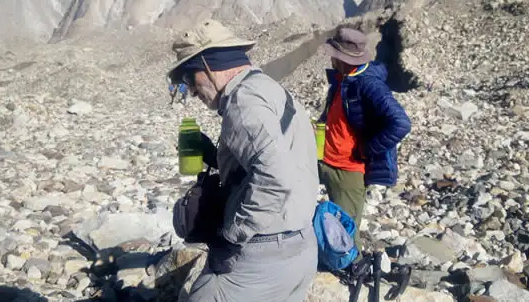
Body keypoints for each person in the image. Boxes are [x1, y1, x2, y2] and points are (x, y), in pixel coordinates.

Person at [166, 19, 319, 302]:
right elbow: (280, 156)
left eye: (189, 79)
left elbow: (275, 179)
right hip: (301, 245)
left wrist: (230, 238)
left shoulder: (242, 103)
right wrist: (216, 154)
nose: (192, 91)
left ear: (208, 66)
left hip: (263, 255)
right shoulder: (269, 89)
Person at [316, 27, 411, 258]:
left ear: (343, 58)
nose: (331, 58)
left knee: (344, 232)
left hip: (347, 170)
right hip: (326, 160)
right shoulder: (343, 79)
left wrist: (367, 149)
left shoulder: (368, 84)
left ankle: (351, 272)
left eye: (334, 54)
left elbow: (400, 123)